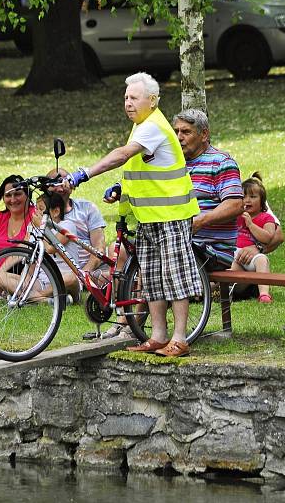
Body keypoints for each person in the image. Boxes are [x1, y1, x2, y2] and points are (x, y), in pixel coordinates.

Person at [65, 72, 202, 358]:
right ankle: (158, 335)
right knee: (151, 278)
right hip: (149, 216)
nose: (127, 103)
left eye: (134, 98)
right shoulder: (142, 125)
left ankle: (179, 338)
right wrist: (120, 188)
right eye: (126, 97)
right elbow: (144, 171)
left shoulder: (152, 125)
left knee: (174, 277)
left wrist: (84, 174)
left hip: (171, 214)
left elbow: (122, 155)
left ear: (152, 101)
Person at [173, 108, 285, 300]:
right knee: (133, 251)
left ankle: (131, 325)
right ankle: (128, 321)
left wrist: (199, 222)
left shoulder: (221, 162)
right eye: (176, 132)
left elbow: (235, 205)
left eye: (186, 132)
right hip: (183, 239)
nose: (179, 137)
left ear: (204, 134)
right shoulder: (174, 163)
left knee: (157, 258)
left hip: (210, 248)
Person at [0, 193, 81, 302]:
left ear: (56, 212)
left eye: (41, 210)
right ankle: (46, 300)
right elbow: (24, 251)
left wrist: (40, 227)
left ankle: (34, 298)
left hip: (65, 280)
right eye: (36, 209)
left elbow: (50, 249)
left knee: (70, 278)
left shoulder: (67, 226)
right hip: (41, 282)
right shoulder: (33, 227)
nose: (36, 213)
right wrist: (1, 271)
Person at [45, 168, 107, 275]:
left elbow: (99, 248)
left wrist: (83, 274)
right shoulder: (40, 212)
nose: (60, 188)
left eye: (65, 182)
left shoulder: (87, 208)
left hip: (88, 270)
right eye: (55, 183)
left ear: (72, 186)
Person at [231, 173, 277, 303]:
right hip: (237, 256)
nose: (247, 200)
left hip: (253, 258)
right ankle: (219, 291)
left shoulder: (266, 218)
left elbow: (268, 237)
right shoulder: (237, 216)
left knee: (263, 260)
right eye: (244, 196)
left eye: (252, 197)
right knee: (229, 267)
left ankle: (264, 294)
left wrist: (251, 224)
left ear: (262, 201)